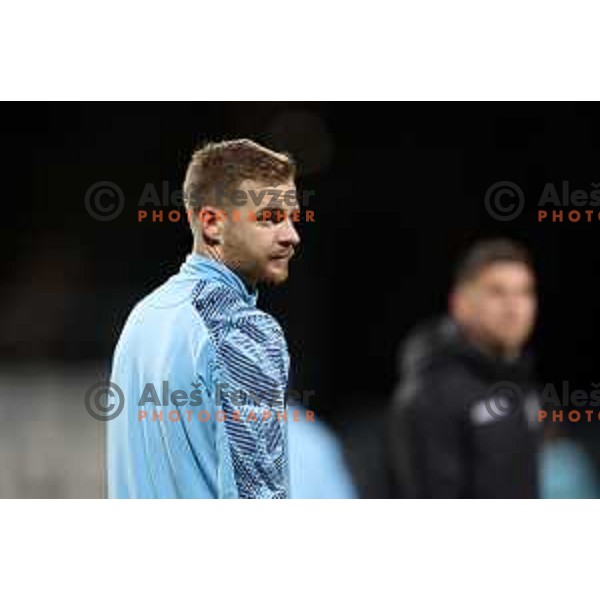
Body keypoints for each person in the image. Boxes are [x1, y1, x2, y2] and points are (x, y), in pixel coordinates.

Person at [107, 139, 301, 498]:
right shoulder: (241, 327)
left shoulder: (143, 316)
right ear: (212, 224)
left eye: (292, 218)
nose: (292, 236)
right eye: (270, 218)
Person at [389, 238, 541, 498]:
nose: (514, 307)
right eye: (497, 292)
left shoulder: (517, 378)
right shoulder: (432, 392)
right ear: (459, 303)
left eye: (524, 292)